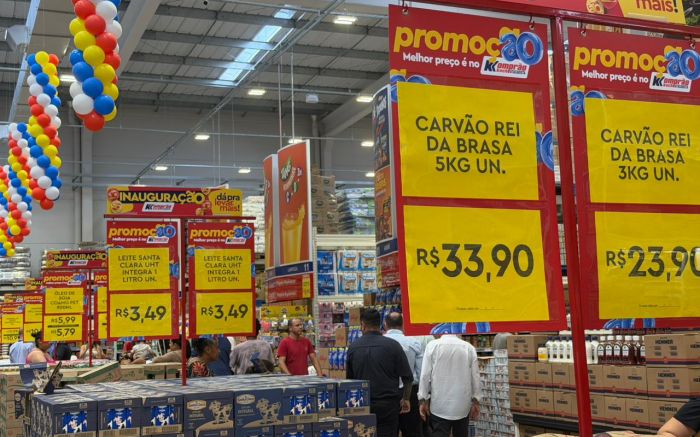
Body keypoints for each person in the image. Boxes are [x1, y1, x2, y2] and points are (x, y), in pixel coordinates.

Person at [347, 308, 413, 437]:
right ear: (381, 324)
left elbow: (349, 381)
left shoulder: (353, 347)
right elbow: (408, 378)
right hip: (388, 405)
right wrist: (406, 399)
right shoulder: (393, 346)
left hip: (362, 405)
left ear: (363, 325)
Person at [418, 334, 482, 437]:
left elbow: (425, 375)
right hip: (462, 406)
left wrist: (422, 399)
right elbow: (475, 376)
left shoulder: (432, 346)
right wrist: (476, 400)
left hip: (439, 405)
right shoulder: (468, 347)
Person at [384, 312, 423, 437]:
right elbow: (421, 372)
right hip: (410, 392)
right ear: (403, 325)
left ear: (385, 325)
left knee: (388, 431)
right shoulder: (414, 342)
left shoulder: (380, 343)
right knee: (412, 431)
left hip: (386, 393)